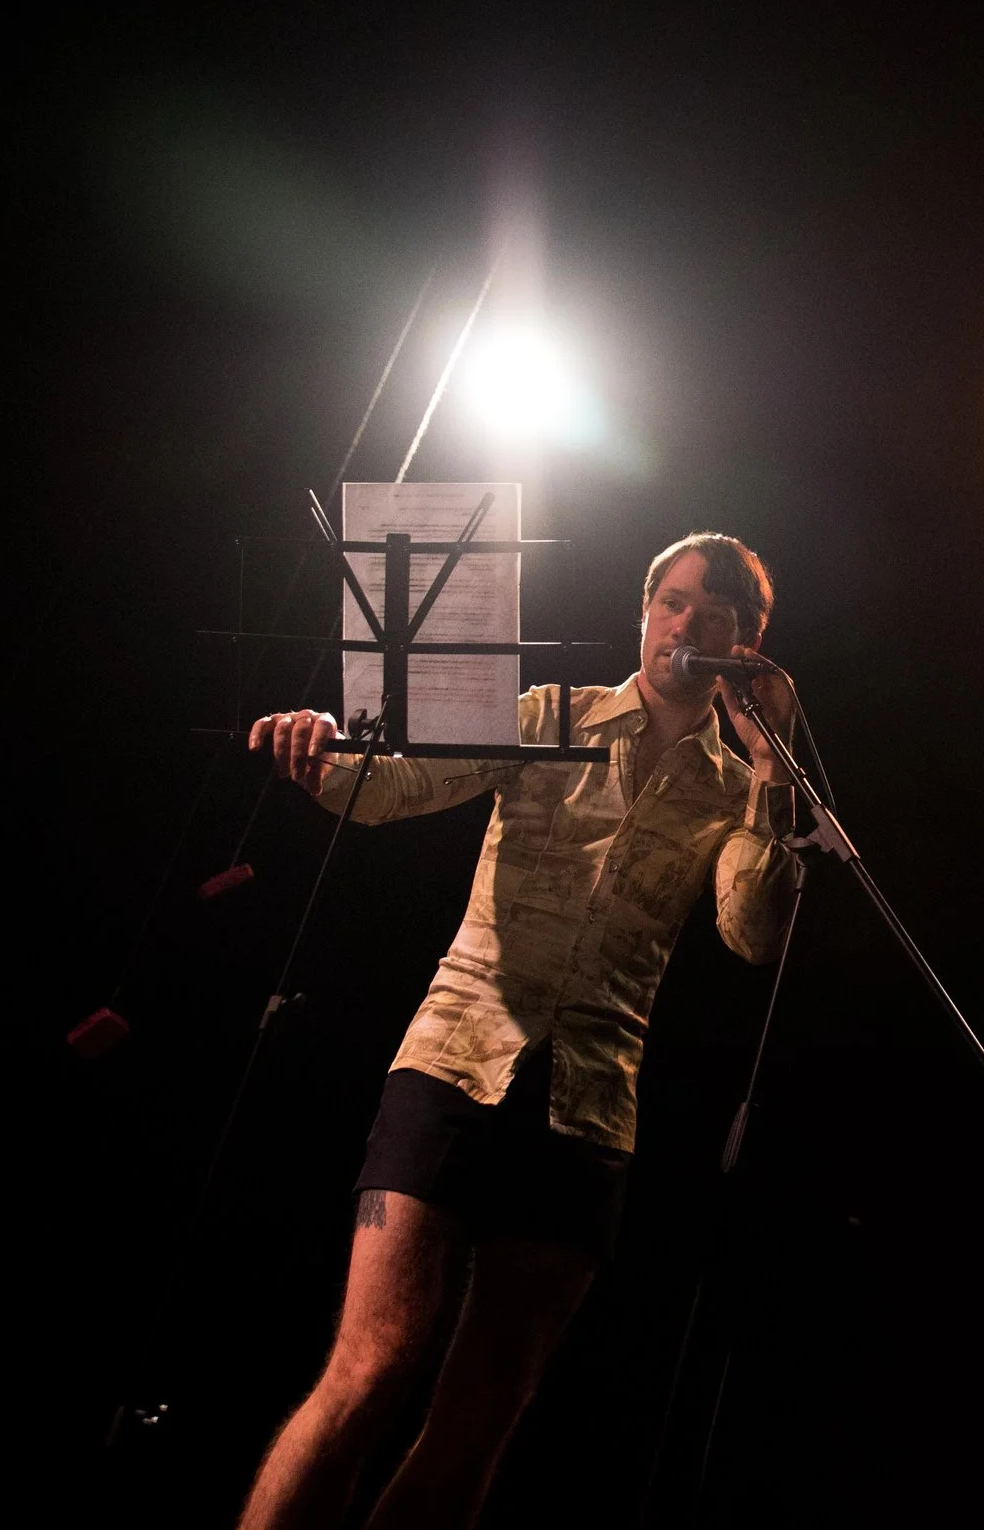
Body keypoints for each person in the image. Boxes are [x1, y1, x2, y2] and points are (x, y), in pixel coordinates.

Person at [235, 532, 800, 1530]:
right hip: (457, 1060)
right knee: (375, 1362)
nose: (686, 622)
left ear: (746, 644)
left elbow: (752, 931)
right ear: (645, 610)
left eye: (716, 613)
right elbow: (392, 784)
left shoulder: (736, 786)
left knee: (484, 1409)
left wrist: (770, 771)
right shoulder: (550, 714)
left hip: (589, 1105)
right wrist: (322, 740)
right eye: (672, 601)